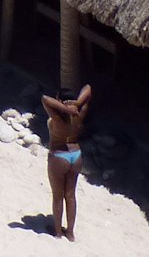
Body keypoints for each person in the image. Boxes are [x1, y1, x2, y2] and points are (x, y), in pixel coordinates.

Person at [42, 84, 93, 240]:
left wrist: (67, 108)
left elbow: (45, 98)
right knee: (70, 196)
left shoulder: (58, 115)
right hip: (76, 155)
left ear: (60, 100)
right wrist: (76, 105)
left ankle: (58, 232)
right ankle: (70, 232)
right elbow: (88, 89)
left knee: (58, 196)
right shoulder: (79, 113)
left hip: (59, 155)